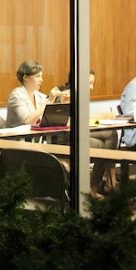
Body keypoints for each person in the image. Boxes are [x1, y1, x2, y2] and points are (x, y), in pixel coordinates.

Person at [51, 69, 117, 197]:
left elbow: (82, 119)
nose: (91, 87)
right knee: (104, 148)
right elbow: (73, 121)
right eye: (89, 83)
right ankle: (94, 186)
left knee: (112, 134)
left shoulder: (78, 93)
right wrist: (101, 116)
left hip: (77, 133)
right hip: (65, 139)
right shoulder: (66, 96)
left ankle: (100, 184)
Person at [6, 60, 47, 127]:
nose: (41, 80)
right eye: (37, 76)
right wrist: (48, 102)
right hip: (17, 136)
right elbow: (27, 120)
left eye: (41, 76)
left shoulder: (40, 96)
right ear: (25, 77)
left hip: (35, 136)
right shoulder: (16, 95)